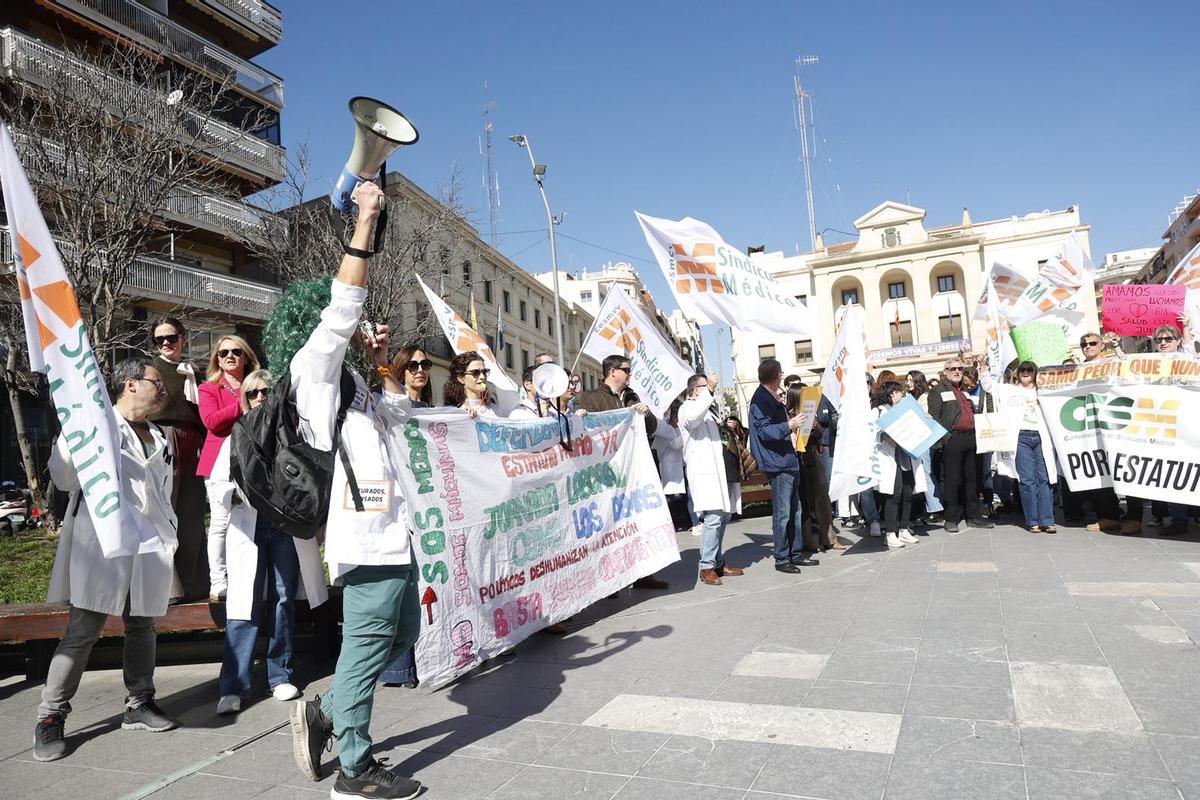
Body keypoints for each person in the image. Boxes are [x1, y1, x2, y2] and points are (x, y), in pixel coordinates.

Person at [282, 182, 423, 799]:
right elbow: (343, 303)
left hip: (396, 533)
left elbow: (400, 415)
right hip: (364, 539)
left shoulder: (349, 385)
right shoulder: (311, 372)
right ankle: (354, 770)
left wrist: (384, 362)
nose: (354, 327)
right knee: (369, 645)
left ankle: (325, 711)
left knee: (402, 635)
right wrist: (363, 223)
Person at [34, 360, 179, 762]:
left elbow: (160, 492)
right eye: (155, 381)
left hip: (148, 544)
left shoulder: (158, 435)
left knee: (143, 626)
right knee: (83, 630)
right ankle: (50, 716)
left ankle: (139, 703)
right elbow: (64, 480)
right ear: (129, 383)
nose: (162, 388)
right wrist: (73, 434)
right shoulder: (97, 424)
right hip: (101, 544)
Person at [212, 370, 328, 714]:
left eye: (267, 392)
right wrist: (239, 494)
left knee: (282, 600)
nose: (261, 397)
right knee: (242, 607)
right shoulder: (234, 437)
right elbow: (215, 489)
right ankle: (233, 685)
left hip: (284, 529)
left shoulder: (293, 437)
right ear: (244, 400)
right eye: (253, 393)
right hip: (249, 527)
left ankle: (280, 676)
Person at [576, 354, 668, 590]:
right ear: (612, 372)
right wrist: (581, 416)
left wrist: (644, 412)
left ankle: (643, 572)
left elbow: (651, 428)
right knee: (608, 527)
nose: (630, 374)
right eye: (626, 369)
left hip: (632, 472)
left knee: (635, 523)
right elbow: (581, 431)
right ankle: (608, 580)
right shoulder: (590, 398)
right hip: (605, 474)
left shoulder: (631, 397)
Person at [376, 343, 433, 689]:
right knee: (402, 587)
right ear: (399, 369)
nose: (419, 370)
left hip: (429, 507)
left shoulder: (433, 410)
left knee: (424, 585)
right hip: (399, 505)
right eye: (411, 365)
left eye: (424, 364)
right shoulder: (386, 405)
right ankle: (398, 668)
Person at [148, 316, 209, 601]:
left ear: (183, 337)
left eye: (171, 337)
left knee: (192, 515)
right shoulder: (151, 370)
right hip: (162, 438)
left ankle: (195, 585)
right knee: (163, 512)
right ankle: (166, 586)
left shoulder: (196, 371)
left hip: (194, 442)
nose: (166, 344)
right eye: (159, 340)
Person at [197, 335, 261, 602]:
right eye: (223, 353)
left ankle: (254, 576)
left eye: (236, 351)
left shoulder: (259, 384)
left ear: (246, 356)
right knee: (221, 521)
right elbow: (211, 422)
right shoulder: (209, 388)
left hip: (254, 459)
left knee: (255, 519)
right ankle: (219, 581)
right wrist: (243, 402)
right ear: (217, 359)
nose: (230, 356)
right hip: (219, 462)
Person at [748, 358, 815, 573]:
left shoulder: (772, 397)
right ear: (777, 376)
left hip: (788, 460)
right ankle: (782, 557)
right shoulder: (760, 399)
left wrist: (799, 424)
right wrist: (790, 424)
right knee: (783, 512)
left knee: (795, 510)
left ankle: (794, 553)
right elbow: (765, 431)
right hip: (778, 463)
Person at [678, 373, 745, 585]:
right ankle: (706, 566)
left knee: (723, 515)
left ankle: (717, 561)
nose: (710, 388)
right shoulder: (687, 408)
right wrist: (710, 391)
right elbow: (693, 418)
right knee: (713, 517)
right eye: (704, 386)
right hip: (703, 471)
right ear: (693, 390)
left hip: (719, 469)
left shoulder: (708, 409)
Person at [979, 358, 1057, 533]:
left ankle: (1047, 519)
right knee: (1027, 480)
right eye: (1022, 370)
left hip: (1042, 438)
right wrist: (983, 366)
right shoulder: (1009, 390)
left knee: (1045, 478)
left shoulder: (1044, 391)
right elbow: (988, 386)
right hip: (1020, 438)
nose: (1026, 372)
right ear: (1018, 373)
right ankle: (1032, 520)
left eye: (1029, 369)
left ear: (1036, 372)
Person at [926, 357, 994, 533]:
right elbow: (935, 417)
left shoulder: (964, 390)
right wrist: (946, 439)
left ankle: (973, 516)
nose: (957, 371)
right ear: (945, 371)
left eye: (960, 369)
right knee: (952, 480)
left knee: (973, 479)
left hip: (971, 438)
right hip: (953, 439)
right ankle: (951, 518)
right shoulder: (938, 390)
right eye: (953, 368)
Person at [787, 384, 843, 552]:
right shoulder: (788, 415)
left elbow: (820, 434)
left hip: (812, 455)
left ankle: (830, 539)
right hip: (798, 459)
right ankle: (807, 540)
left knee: (822, 498)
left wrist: (814, 427)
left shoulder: (810, 411)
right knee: (804, 501)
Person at [871, 380, 923, 549]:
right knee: (894, 495)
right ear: (892, 393)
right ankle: (891, 532)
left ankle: (903, 528)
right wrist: (885, 437)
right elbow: (872, 432)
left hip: (907, 455)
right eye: (900, 392)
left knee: (908, 493)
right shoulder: (879, 411)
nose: (903, 394)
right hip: (890, 457)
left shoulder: (907, 410)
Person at [906, 370, 943, 524]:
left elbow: (925, 416)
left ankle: (936, 507)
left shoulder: (924, 397)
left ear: (917, 381)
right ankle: (930, 506)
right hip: (916, 440)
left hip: (925, 439)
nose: (907, 383)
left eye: (910, 380)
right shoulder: (912, 397)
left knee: (927, 472)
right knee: (921, 473)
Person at [653, 401, 689, 531]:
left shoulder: (676, 429)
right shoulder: (666, 430)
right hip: (668, 467)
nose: (677, 420)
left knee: (680, 496)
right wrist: (685, 432)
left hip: (679, 466)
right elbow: (675, 444)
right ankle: (671, 523)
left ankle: (684, 521)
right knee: (670, 498)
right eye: (676, 417)